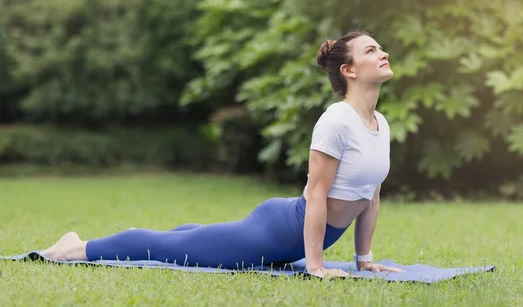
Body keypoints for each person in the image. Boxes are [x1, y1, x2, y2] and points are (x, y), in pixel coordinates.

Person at [40, 30, 402, 278]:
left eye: (379, 47)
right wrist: (315, 266)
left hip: (291, 235)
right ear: (348, 70)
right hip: (277, 230)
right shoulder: (336, 119)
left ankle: (165, 234)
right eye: (370, 50)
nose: (383, 52)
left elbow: (370, 194)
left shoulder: (380, 124)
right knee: (169, 248)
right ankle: (74, 249)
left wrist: (364, 260)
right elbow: (318, 194)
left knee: (195, 240)